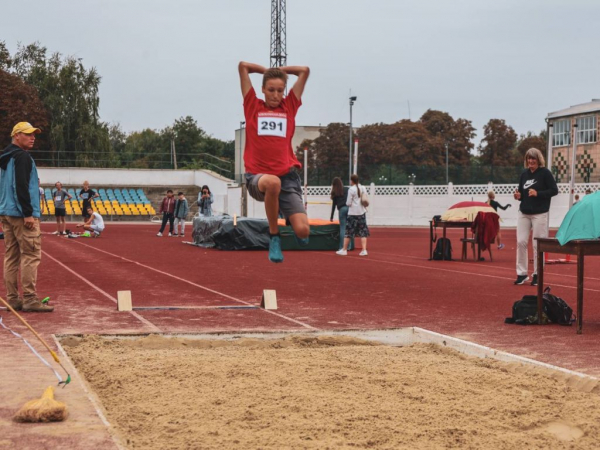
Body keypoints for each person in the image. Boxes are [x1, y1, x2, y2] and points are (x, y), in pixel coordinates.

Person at [238, 60, 310, 263]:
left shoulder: (289, 107)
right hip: (257, 178)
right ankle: (274, 236)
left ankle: (289, 218)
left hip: (287, 178)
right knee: (272, 182)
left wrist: (279, 72)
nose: (276, 95)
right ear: (262, 89)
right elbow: (243, 66)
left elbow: (304, 71)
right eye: (271, 90)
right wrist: (267, 71)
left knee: (303, 231)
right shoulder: (252, 105)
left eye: (280, 90)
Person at [0, 122, 53, 312]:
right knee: (31, 255)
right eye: (28, 134)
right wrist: (28, 214)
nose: (33, 137)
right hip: (21, 214)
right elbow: (20, 186)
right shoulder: (21, 157)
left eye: (34, 134)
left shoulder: (4, 157)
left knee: (11, 257)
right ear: (16, 136)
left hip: (6, 212)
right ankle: (30, 299)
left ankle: (12, 299)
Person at [513, 148, 558, 286]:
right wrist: (518, 196)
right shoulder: (524, 174)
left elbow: (554, 190)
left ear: (539, 160)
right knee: (521, 242)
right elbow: (521, 192)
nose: (531, 161)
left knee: (537, 244)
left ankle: (538, 274)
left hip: (540, 213)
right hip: (524, 213)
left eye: (533, 159)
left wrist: (538, 193)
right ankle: (521, 274)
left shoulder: (545, 173)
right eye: (529, 158)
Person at [336, 174, 369, 256]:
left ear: (352, 181)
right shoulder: (363, 188)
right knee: (363, 232)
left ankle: (344, 250)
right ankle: (364, 250)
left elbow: (348, 202)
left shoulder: (351, 189)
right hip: (361, 212)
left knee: (348, 232)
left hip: (352, 213)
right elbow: (365, 198)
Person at [330, 177, 354, 251]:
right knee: (349, 228)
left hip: (341, 209)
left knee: (342, 228)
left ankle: (342, 247)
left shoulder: (335, 192)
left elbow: (334, 205)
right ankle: (349, 246)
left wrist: (331, 216)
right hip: (349, 209)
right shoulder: (347, 189)